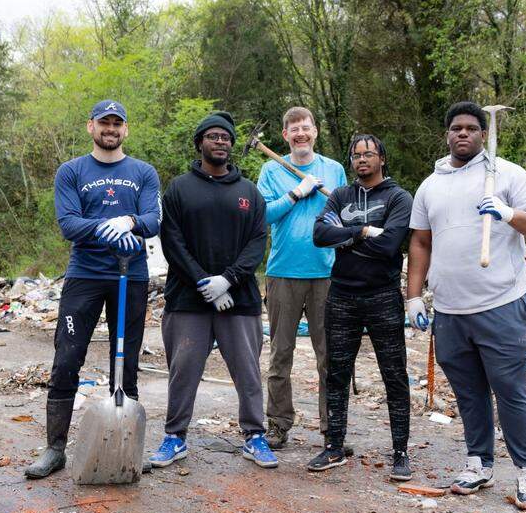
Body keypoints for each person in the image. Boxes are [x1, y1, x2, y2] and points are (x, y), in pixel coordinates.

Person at [405, 101, 526, 510]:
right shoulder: (430, 185)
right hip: (450, 310)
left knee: (509, 390)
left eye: (472, 128)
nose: (463, 134)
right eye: (456, 128)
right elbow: (420, 242)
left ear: (483, 134)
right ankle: (478, 463)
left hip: (501, 303)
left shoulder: (506, 174)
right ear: (447, 134)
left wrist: (507, 213)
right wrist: (413, 295)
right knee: (468, 393)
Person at [26, 100, 161, 479]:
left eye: (118, 123)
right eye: (105, 122)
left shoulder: (143, 172)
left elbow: (153, 220)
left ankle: (126, 445)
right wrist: (107, 227)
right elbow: (69, 223)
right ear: (91, 127)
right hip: (84, 276)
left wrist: (130, 220)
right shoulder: (71, 171)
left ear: (126, 130)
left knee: (127, 361)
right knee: (67, 359)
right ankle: (55, 449)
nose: (111, 129)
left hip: (130, 276)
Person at [149, 110, 278, 469]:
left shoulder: (248, 192)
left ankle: (255, 436)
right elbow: (171, 242)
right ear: (200, 143)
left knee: (248, 372)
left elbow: (257, 242)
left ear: (231, 145)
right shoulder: (178, 189)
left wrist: (228, 280)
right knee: (183, 369)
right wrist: (205, 282)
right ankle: (175, 438)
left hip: (240, 300)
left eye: (226, 138)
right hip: (188, 300)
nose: (220, 142)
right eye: (213, 136)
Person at [309, 134, 413, 480]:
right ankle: (334, 445)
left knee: (394, 375)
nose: (362, 160)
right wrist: (364, 230)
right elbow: (320, 235)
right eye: (356, 155)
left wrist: (347, 234)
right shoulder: (340, 195)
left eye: (368, 154)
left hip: (383, 296)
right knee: (336, 373)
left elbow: (389, 246)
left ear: (382, 157)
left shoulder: (398, 198)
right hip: (341, 296)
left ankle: (400, 452)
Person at [256, 107, 347, 450]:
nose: (300, 134)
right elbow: (263, 215)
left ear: (315, 131)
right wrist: (296, 193)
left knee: (331, 356)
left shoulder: (334, 169)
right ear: (285, 136)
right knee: (281, 354)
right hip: (282, 273)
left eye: (305, 128)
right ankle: (278, 425)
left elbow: (345, 215)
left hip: (327, 273)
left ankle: (332, 428)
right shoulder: (271, 169)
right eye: (293, 129)